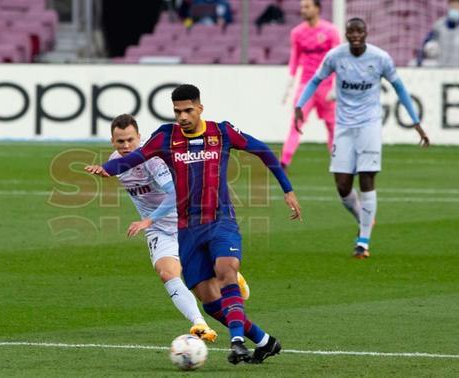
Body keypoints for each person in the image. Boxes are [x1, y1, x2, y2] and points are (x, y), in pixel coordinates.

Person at [86, 84, 302, 364]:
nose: (183, 117)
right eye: (178, 111)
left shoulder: (221, 133)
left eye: (188, 110)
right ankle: (265, 341)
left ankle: (237, 341)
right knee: (210, 301)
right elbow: (137, 157)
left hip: (220, 220)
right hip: (186, 228)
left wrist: (287, 189)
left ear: (200, 108)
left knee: (226, 271)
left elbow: (262, 150)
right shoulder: (166, 136)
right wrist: (107, 168)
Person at [107, 114, 251, 343]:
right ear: (112, 141)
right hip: (158, 229)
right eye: (120, 141)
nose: (125, 146)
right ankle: (200, 324)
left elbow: (174, 193)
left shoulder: (151, 161)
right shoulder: (117, 162)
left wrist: (148, 220)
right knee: (167, 273)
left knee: (204, 288)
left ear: (139, 138)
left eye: (130, 140)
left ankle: (228, 278)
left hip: (183, 222)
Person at [294, 18, 430, 259]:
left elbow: (399, 88)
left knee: (367, 179)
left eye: (360, 31)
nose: (355, 35)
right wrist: (299, 106)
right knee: (342, 185)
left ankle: (363, 242)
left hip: (369, 126)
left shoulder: (380, 58)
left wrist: (416, 122)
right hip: (344, 127)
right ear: (346, 34)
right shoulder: (336, 56)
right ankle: (364, 218)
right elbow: (315, 80)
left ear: (366, 33)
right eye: (351, 31)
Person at [281, 0, 340, 171]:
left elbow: (337, 61)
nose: (303, 10)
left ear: (317, 8)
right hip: (306, 86)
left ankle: (337, 161)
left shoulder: (330, 31)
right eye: (302, 7)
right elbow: (295, 59)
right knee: (296, 122)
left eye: (307, 7)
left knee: (332, 126)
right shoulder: (297, 33)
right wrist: (290, 82)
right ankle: (284, 162)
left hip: (326, 85)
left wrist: (335, 86)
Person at [417, 0, 459, 68]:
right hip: (438, 70)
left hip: (456, 71)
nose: (454, 9)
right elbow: (426, 44)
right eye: (452, 6)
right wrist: (419, 62)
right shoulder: (438, 25)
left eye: (457, 7)